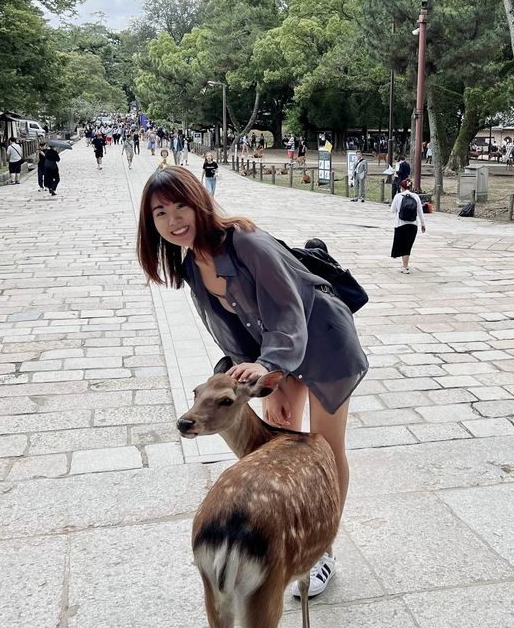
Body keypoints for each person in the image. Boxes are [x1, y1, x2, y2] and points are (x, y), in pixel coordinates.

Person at [137, 167, 368, 597]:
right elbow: (231, 333)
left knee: (324, 447)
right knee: (278, 436)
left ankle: (322, 552)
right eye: (160, 212)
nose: (174, 220)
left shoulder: (247, 242)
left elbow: (290, 313)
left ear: (200, 200)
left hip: (322, 342)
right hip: (273, 354)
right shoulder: (193, 267)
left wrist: (268, 366)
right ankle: (290, 535)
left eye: (181, 204)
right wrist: (256, 374)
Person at [390, 178, 426, 273]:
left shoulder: (398, 196)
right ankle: (405, 265)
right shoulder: (416, 197)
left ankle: (405, 266)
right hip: (413, 224)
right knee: (408, 245)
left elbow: (392, 210)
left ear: (401, 187)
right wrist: (423, 224)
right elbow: (420, 212)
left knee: (402, 244)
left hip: (400, 224)